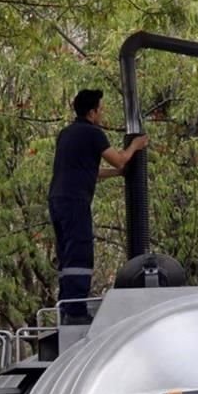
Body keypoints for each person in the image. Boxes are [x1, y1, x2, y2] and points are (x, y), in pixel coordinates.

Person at [48, 89, 148, 324]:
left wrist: (116, 174)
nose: (102, 113)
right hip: (75, 202)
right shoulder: (93, 133)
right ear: (92, 112)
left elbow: (88, 171)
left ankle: (68, 307)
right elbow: (120, 158)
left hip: (57, 200)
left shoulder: (66, 134)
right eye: (101, 109)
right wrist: (135, 145)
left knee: (67, 255)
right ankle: (75, 313)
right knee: (80, 253)